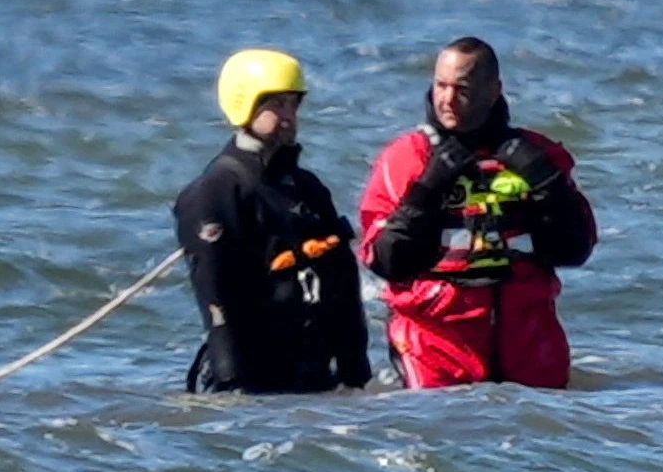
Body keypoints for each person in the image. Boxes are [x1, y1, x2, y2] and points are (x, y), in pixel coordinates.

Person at [357, 37, 599, 390]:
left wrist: (547, 182)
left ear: (493, 90)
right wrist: (426, 191)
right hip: (435, 343)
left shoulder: (538, 155)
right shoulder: (406, 158)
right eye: (441, 86)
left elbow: (576, 249)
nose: (448, 100)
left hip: (530, 341)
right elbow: (384, 260)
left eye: (463, 89)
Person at [171, 48, 372, 395]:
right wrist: (231, 384)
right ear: (245, 105)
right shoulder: (216, 191)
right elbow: (215, 295)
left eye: (293, 104)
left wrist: (356, 372)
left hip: (314, 376)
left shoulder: (307, 189)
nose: (288, 116)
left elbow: (342, 281)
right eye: (276, 104)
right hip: (254, 382)